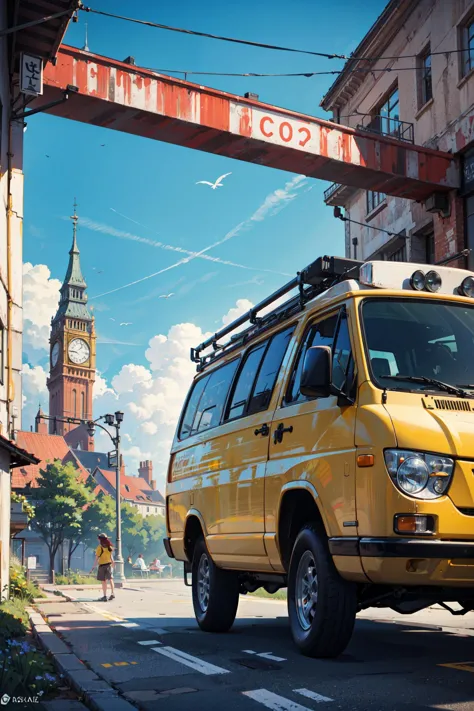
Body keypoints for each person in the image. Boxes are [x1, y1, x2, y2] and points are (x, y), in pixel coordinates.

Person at [91, 533, 115, 601]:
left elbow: (97, 558)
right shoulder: (109, 546)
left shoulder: (99, 547)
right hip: (109, 565)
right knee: (110, 579)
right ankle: (112, 593)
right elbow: (111, 556)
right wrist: (113, 563)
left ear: (100, 539)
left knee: (103, 581)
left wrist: (93, 566)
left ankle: (105, 596)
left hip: (102, 566)